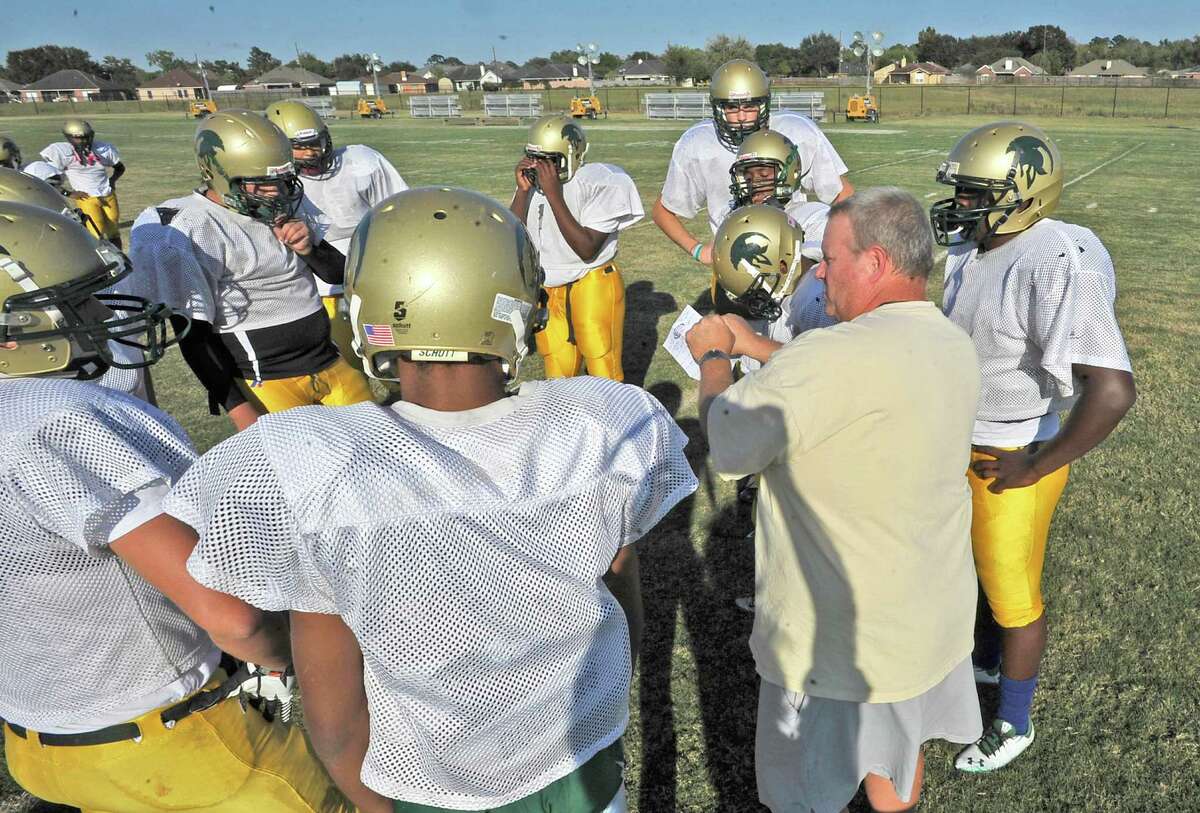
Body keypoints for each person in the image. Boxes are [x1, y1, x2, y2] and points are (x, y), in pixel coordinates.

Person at [164, 187, 697, 813]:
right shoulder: (596, 425)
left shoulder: (311, 460)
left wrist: (372, 800)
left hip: (428, 784)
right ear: (520, 307)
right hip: (579, 758)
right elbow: (621, 607)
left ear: (370, 309)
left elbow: (334, 715)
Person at [0, 202, 350, 813]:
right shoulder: (53, 419)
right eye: (78, 303)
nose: (103, 316)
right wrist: (298, 662)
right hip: (166, 738)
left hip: (35, 735)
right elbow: (231, 616)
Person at [687, 187, 983, 812]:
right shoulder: (951, 342)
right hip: (925, 616)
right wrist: (756, 347)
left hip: (833, 643)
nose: (819, 272)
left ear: (874, 263)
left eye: (829, 258)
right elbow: (849, 377)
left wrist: (715, 357)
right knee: (897, 763)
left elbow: (732, 442)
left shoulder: (830, 356)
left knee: (802, 793)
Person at [930, 121, 1137, 772]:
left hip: (1013, 449)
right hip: (966, 440)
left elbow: (1112, 390)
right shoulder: (976, 247)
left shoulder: (1053, 258)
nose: (961, 204)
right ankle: (986, 665)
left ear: (1024, 194)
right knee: (977, 577)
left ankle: (1014, 722)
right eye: (960, 191)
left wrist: (1038, 463)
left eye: (974, 192)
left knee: (1015, 597)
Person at [130, 109, 373, 431]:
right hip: (266, 381)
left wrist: (308, 248)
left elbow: (337, 274)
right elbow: (193, 335)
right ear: (217, 174)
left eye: (282, 181)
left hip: (330, 361)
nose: (276, 193)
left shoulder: (285, 202)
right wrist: (239, 409)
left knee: (378, 450)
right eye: (261, 184)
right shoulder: (187, 226)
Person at [652, 58, 852, 307]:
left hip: (791, 259)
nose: (742, 118)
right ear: (716, 107)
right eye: (731, 109)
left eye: (749, 106)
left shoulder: (797, 131)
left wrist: (836, 255)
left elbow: (843, 195)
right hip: (735, 267)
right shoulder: (697, 143)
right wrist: (700, 251)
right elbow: (663, 210)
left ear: (764, 103)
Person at [511, 114, 643, 380]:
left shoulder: (601, 181)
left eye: (549, 160)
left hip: (591, 282)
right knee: (558, 371)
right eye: (534, 158)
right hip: (548, 287)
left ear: (571, 154)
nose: (540, 167)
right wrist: (523, 191)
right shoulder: (533, 185)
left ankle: (613, 421)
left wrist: (553, 195)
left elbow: (586, 249)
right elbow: (512, 233)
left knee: (603, 366)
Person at [264, 99, 408, 323]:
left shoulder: (361, 161)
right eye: (299, 146)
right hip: (317, 290)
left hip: (376, 277)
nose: (311, 153)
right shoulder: (270, 186)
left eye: (315, 143)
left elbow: (402, 213)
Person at [39, 118, 126, 246]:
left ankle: (120, 257)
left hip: (107, 194)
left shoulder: (102, 149)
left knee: (114, 230)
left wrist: (112, 181)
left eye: (86, 137)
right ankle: (101, 262)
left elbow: (120, 167)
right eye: (79, 138)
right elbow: (48, 179)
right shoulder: (62, 152)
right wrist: (69, 193)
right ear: (69, 138)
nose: (84, 141)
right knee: (96, 232)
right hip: (86, 198)